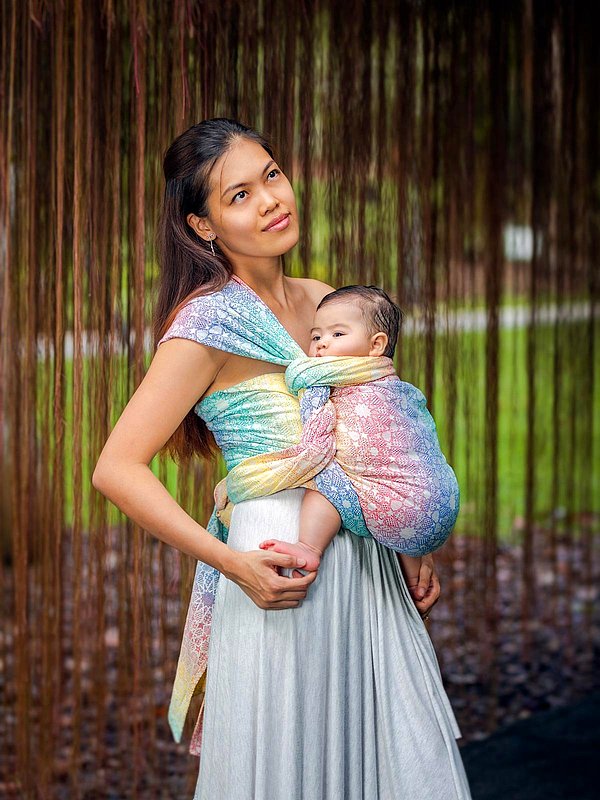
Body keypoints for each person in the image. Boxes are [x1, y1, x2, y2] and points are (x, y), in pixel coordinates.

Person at [92, 117, 473, 799]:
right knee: (289, 766)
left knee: (376, 761)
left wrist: (407, 536)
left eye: (270, 175)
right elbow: (116, 468)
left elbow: (377, 426)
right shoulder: (205, 326)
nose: (270, 199)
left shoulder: (327, 301)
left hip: (362, 555)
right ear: (203, 227)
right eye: (238, 195)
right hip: (274, 571)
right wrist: (235, 566)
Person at [251, 284, 460, 593]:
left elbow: (316, 445)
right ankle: (412, 570)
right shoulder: (391, 382)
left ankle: (309, 546)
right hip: (439, 500)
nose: (321, 345)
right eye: (316, 336)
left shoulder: (320, 380)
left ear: (376, 345)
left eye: (337, 335)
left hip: (403, 496)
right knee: (380, 484)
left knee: (323, 482)